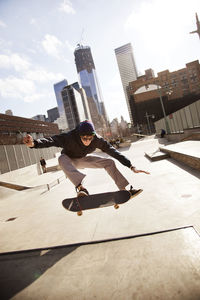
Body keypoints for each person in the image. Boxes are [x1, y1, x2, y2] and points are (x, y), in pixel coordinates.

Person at [23, 120, 150, 197]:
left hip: (83, 159)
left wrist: (131, 166)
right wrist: (34, 143)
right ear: (79, 135)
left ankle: (124, 190)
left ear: (93, 136)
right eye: (84, 138)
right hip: (69, 160)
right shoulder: (69, 137)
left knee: (109, 162)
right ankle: (81, 188)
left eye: (90, 138)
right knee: (61, 158)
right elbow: (51, 140)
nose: (87, 141)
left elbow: (113, 152)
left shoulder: (98, 140)